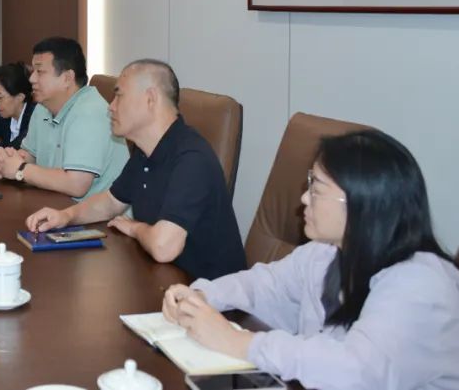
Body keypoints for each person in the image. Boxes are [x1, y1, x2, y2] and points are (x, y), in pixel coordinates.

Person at [163, 130, 459, 390]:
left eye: (316, 188)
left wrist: (237, 342)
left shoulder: (421, 283)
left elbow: (357, 372)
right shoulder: (326, 252)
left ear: (360, 203)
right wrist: (201, 297)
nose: (304, 198)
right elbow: (265, 285)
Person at [26, 59, 245, 279]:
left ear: (150, 99)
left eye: (119, 96)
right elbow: (111, 202)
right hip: (161, 278)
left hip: (210, 293)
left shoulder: (192, 159)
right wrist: (65, 216)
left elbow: (163, 247)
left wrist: (134, 228)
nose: (111, 106)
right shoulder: (145, 151)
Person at [0, 37, 127, 200]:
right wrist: (7, 160)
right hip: (55, 203)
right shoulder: (43, 107)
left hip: (95, 213)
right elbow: (30, 155)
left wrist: (20, 169)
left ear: (67, 78)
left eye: (40, 72)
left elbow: (76, 185)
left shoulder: (90, 112)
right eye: (33, 71)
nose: (32, 79)